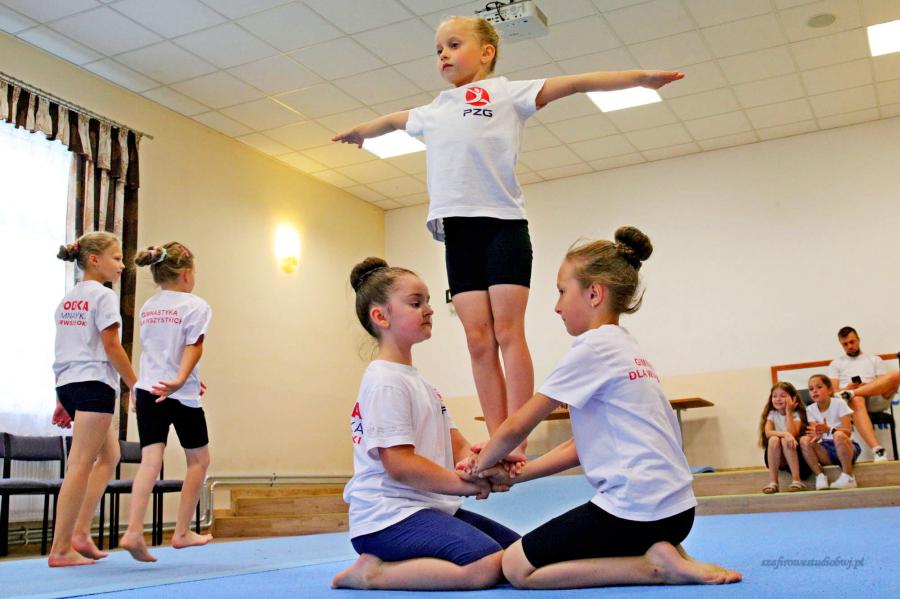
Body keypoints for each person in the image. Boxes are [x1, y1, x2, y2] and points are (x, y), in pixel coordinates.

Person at [332, 16, 684, 459]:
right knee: (477, 338)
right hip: (458, 231)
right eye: (438, 49)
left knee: (507, 330)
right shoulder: (433, 109)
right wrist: (362, 132)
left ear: (487, 52)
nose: (443, 55)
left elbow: (577, 83)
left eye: (453, 45)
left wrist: (641, 78)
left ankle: (516, 434)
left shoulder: (509, 94)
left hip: (503, 224)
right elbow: (393, 121)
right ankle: (498, 436)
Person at [459, 227, 741, 589]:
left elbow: (517, 426)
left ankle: (653, 567)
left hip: (637, 512)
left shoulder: (592, 348)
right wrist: (515, 475)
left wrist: (479, 467)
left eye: (562, 292)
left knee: (516, 567)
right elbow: (580, 446)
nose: (557, 306)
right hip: (677, 513)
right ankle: (661, 550)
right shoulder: (625, 346)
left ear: (593, 293)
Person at [331, 258, 520, 591]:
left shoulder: (421, 383)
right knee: (486, 565)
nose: (429, 310)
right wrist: (465, 485)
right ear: (381, 317)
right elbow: (400, 465)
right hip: (388, 516)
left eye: (428, 302)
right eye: (416, 303)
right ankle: (372, 574)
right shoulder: (385, 382)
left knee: (519, 554)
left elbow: (459, 445)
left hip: (430, 509)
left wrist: (486, 466)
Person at [48, 232, 137, 567]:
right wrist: (135, 384)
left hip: (70, 384)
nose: (122, 265)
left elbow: (64, 349)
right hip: (94, 384)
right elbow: (111, 345)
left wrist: (61, 397)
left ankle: (81, 532)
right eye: (117, 258)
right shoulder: (103, 296)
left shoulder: (67, 300)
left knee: (110, 455)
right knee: (80, 464)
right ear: (95, 260)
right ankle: (60, 549)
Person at [120, 243, 212, 562]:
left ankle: (133, 530)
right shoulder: (195, 305)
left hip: (148, 389)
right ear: (186, 274)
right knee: (199, 461)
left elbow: (159, 350)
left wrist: (188, 377)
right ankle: (182, 531)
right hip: (178, 394)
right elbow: (192, 346)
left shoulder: (149, 306)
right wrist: (182, 380)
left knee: (150, 460)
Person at [828, 326, 896, 462]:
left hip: (874, 397)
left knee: (896, 375)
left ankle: (852, 393)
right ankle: (877, 449)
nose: (849, 346)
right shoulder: (836, 364)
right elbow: (833, 392)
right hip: (850, 402)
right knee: (857, 399)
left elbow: (884, 385)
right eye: (845, 344)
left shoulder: (875, 360)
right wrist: (846, 388)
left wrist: (868, 386)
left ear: (858, 340)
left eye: (852, 342)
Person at [800, 374, 860, 490]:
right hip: (826, 449)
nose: (814, 391)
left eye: (819, 387)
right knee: (804, 440)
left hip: (847, 446)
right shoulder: (810, 409)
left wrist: (830, 429)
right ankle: (820, 476)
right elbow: (816, 433)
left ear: (829, 390)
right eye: (811, 389)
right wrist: (816, 436)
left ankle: (848, 476)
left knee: (838, 435)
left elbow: (847, 432)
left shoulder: (839, 403)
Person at [758, 382, 809, 493]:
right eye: (774, 396)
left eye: (783, 395)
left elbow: (792, 434)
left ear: (793, 398)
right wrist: (785, 434)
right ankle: (773, 482)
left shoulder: (796, 414)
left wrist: (789, 412)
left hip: (794, 453)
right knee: (774, 439)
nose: (778, 399)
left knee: (786, 440)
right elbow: (768, 433)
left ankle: (796, 480)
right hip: (777, 455)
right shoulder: (772, 413)